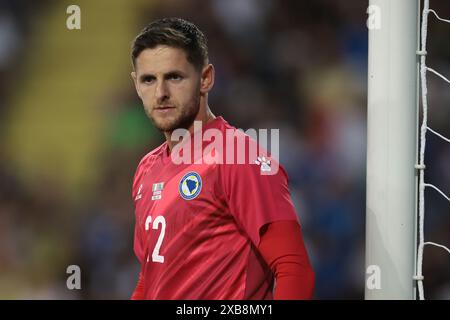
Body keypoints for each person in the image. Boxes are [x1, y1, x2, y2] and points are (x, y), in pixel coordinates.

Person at [129, 17, 314, 300]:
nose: (161, 93)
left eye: (174, 77)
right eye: (149, 79)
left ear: (205, 79)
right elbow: (150, 279)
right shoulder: (146, 168)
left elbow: (293, 269)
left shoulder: (237, 156)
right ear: (136, 85)